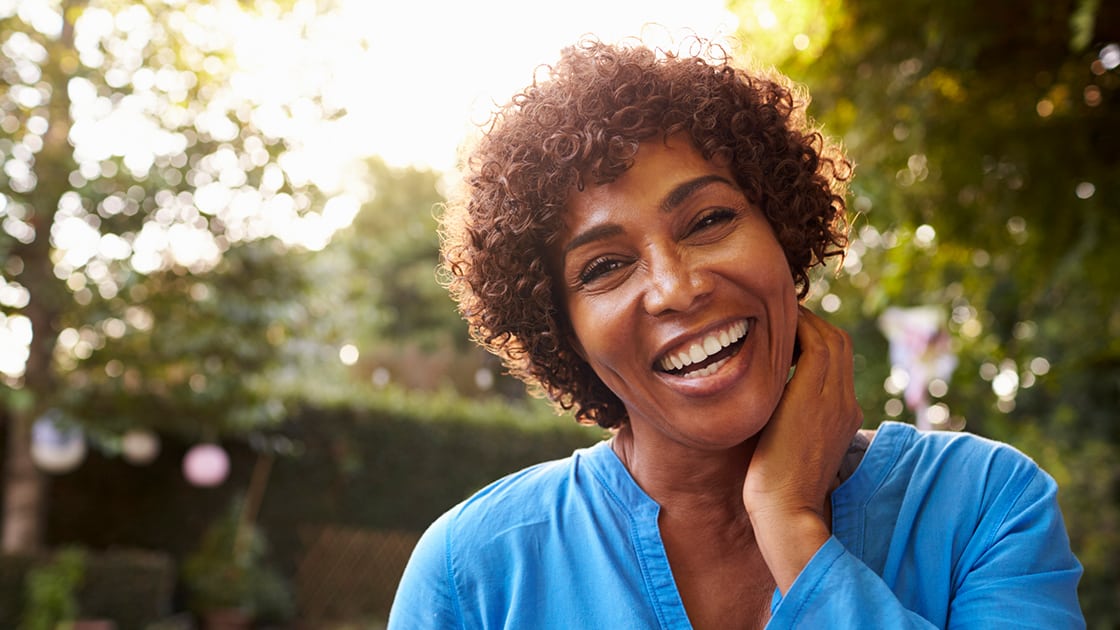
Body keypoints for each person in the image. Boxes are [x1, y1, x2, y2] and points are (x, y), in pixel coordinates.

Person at [388, 35, 1084, 629]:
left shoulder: (986, 506)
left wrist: (790, 525)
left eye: (709, 221)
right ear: (561, 331)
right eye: (604, 266)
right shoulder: (475, 572)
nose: (676, 287)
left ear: (782, 231)